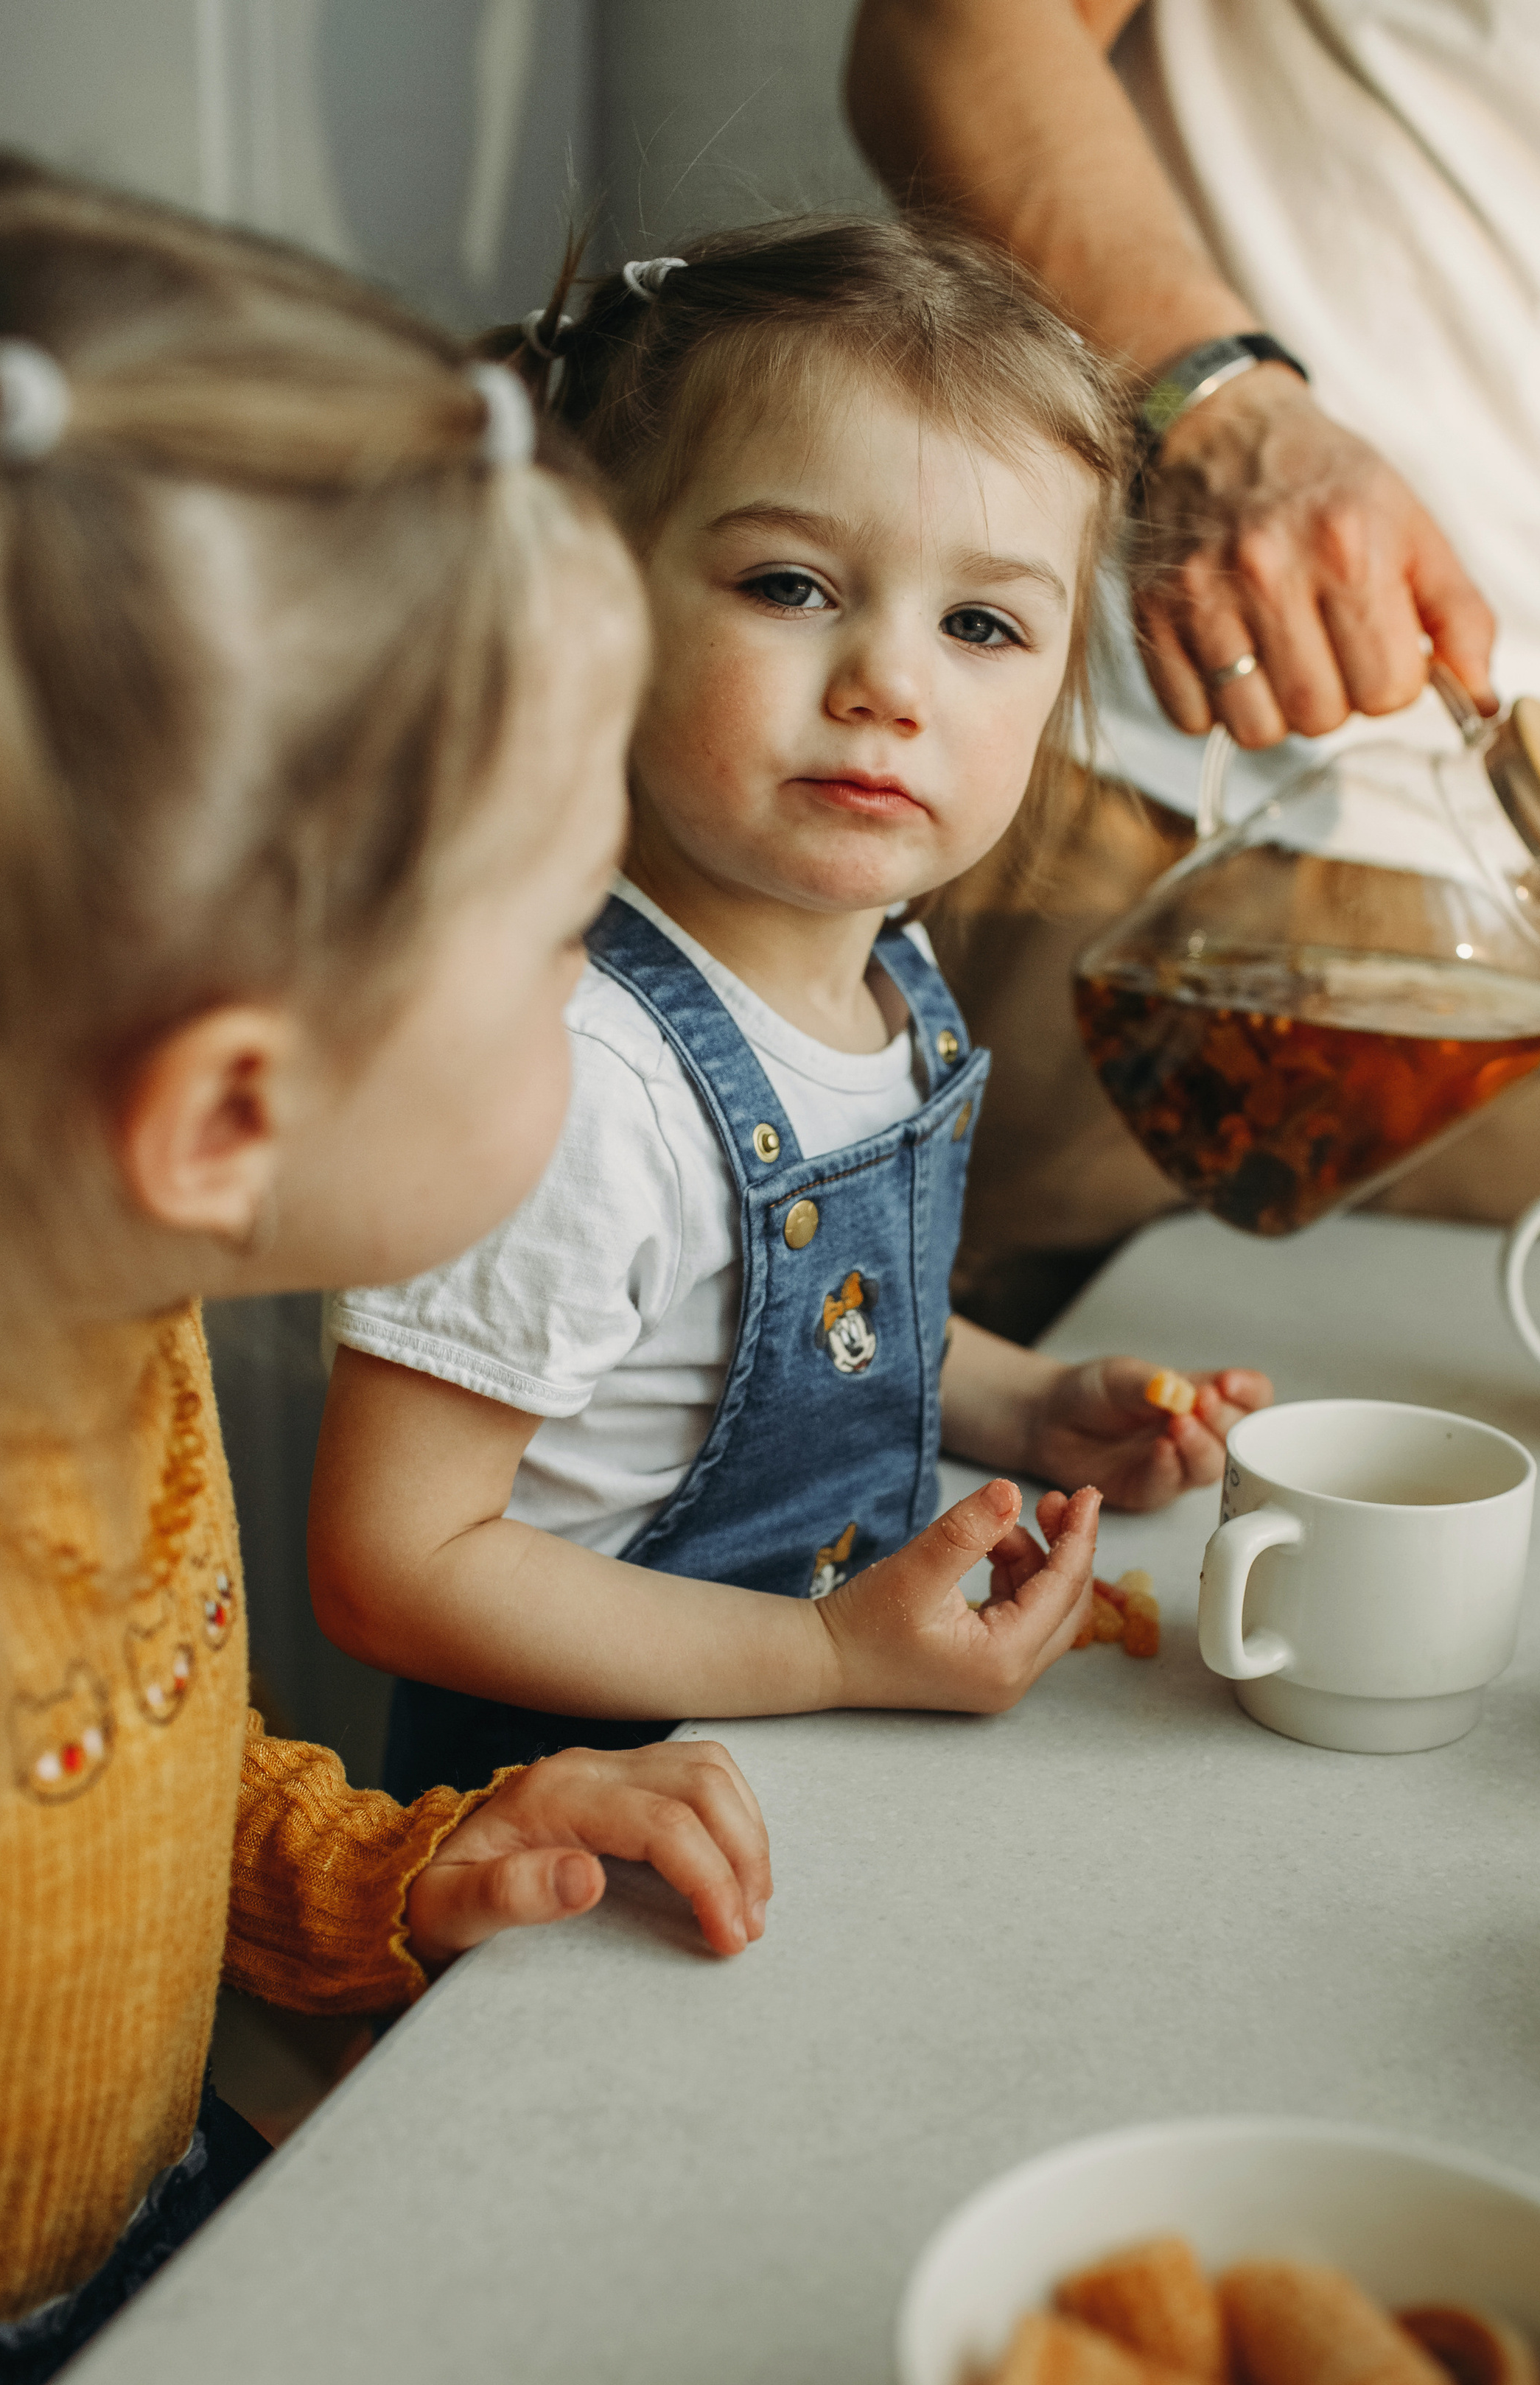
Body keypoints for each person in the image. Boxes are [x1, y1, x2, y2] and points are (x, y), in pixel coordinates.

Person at [0, 148, 785, 2385]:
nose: (609, 980)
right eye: (566, 934)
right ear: (226, 1109)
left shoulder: (106, 1309)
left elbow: (122, 1786)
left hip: (157, 2251)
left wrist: (386, 1876)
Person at [310, 217, 1273, 1802]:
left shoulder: (882, 969)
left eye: (980, 625)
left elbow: (798, 1322)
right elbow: (390, 1564)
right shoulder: (571, 1078)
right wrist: (831, 1655)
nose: (889, 683)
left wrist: (1027, 1403)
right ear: (596, 613)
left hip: (818, 1778)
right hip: (578, 1837)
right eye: (790, 584)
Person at [848, 0, 1540, 1337]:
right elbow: (945, 29)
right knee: (941, 1429)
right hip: (1126, 803)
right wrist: (1204, 397)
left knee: (1507, 1481)